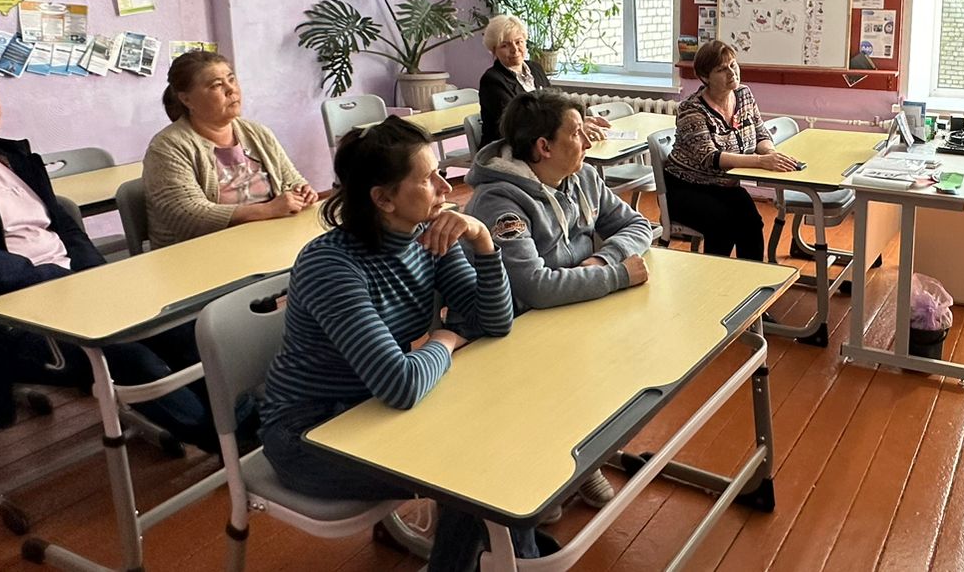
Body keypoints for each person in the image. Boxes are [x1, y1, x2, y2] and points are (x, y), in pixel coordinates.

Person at [259, 115, 544, 569]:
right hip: (308, 434)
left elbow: (494, 322)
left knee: (501, 439)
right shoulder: (330, 266)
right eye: (428, 179)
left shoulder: (425, 237)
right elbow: (401, 384)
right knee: (476, 476)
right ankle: (500, 554)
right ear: (383, 198)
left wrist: (483, 241)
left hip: (373, 409)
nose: (446, 188)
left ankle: (507, 553)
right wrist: (444, 340)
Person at [0, 58, 221, 453]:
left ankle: (241, 423)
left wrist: (94, 277)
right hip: (4, 316)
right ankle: (227, 442)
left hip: (70, 290)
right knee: (132, 358)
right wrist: (54, 280)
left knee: (186, 330)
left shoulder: (9, 157)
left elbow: (65, 227)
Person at [465, 89, 656, 510]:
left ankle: (583, 455)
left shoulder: (581, 176)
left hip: (576, 307)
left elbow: (638, 225)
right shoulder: (500, 201)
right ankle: (546, 470)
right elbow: (534, 287)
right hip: (519, 327)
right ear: (544, 147)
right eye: (576, 132)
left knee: (619, 366)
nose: (587, 140)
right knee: (561, 384)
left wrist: (601, 261)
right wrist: (617, 275)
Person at [143, 50, 317, 248]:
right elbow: (188, 215)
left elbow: (291, 181)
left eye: (232, 80)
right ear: (186, 100)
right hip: (200, 251)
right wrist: (267, 210)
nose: (231, 90)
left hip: (266, 240)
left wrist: (301, 192)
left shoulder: (258, 133)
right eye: (217, 85)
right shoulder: (167, 148)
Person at [664, 40, 797, 260]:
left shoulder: (743, 94)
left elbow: (760, 133)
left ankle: (752, 277)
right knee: (723, 226)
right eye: (721, 69)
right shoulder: (691, 109)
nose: (731, 73)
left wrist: (770, 154)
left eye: (733, 65)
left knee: (752, 224)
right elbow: (710, 158)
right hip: (687, 188)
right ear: (705, 77)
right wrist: (760, 161)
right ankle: (718, 280)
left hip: (724, 186)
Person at [476, 14, 608, 148]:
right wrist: (572, 128)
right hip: (509, 147)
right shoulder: (492, 80)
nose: (514, 50)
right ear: (494, 50)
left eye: (519, 42)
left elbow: (556, 106)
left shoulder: (536, 68)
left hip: (542, 142)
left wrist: (578, 121)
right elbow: (519, 124)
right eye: (505, 45)